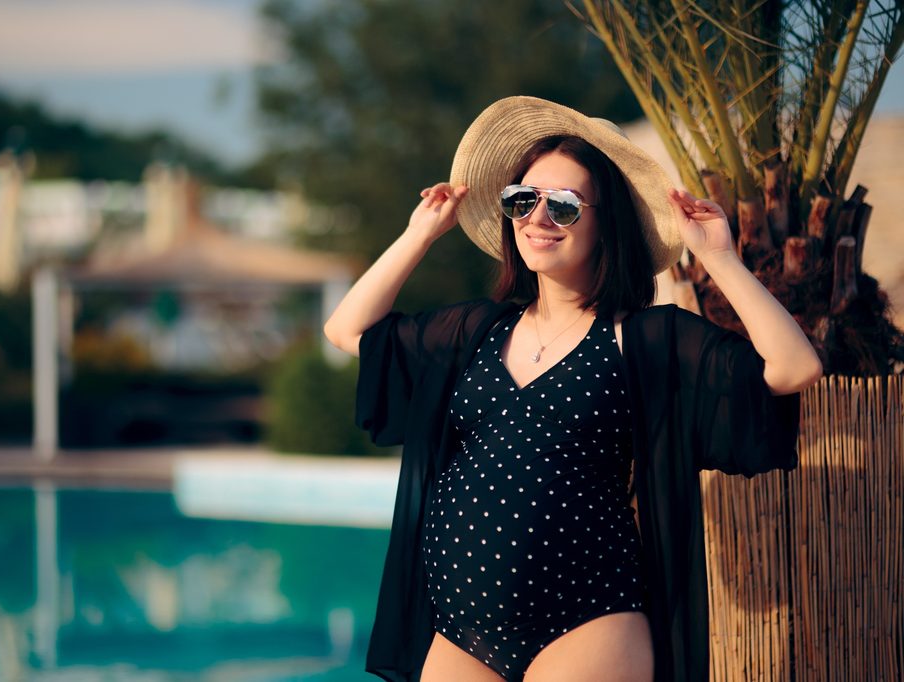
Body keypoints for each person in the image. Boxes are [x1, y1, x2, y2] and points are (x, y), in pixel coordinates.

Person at [324, 96, 823, 682]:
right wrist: (420, 234)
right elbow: (347, 329)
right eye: (521, 200)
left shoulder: (644, 339)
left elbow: (794, 368)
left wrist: (720, 259)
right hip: (457, 631)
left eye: (563, 206)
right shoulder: (474, 331)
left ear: (605, 223)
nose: (537, 217)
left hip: (587, 622)